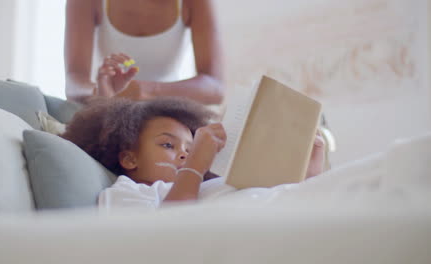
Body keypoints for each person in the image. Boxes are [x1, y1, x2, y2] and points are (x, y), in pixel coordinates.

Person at [60, 96, 326, 209]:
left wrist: (310, 170)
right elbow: (172, 233)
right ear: (130, 158)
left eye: (190, 148)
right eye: (168, 145)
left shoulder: (204, 185)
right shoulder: (126, 193)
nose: (185, 155)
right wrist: (195, 166)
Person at [64, 0, 224, 105]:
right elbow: (73, 84)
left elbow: (215, 88)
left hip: (167, 115)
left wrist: (148, 90)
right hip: (105, 113)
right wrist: (102, 93)